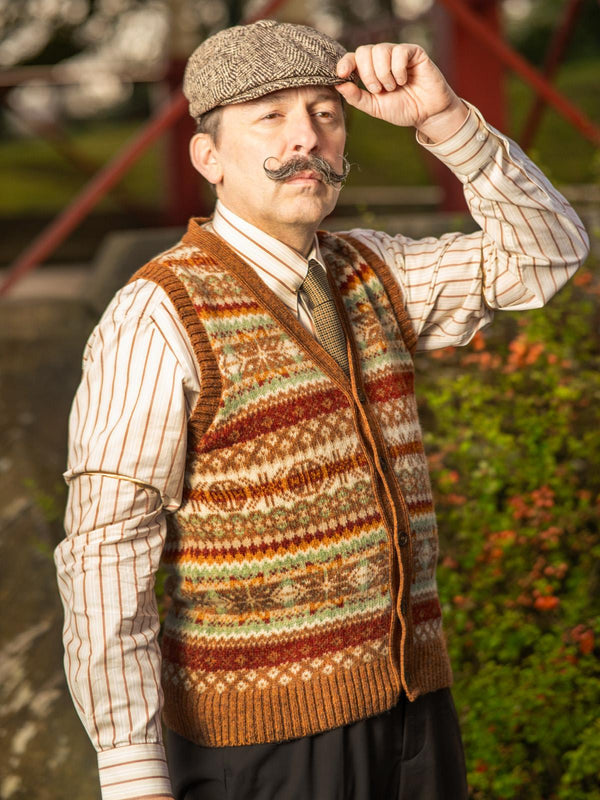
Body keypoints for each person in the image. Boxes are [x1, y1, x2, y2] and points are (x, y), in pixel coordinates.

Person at [54, 19, 589, 800]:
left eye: (325, 114)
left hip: (413, 708)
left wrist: (446, 121)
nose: (305, 137)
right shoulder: (158, 314)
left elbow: (547, 254)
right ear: (208, 157)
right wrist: (132, 769)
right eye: (269, 116)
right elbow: (107, 552)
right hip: (263, 739)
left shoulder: (378, 269)